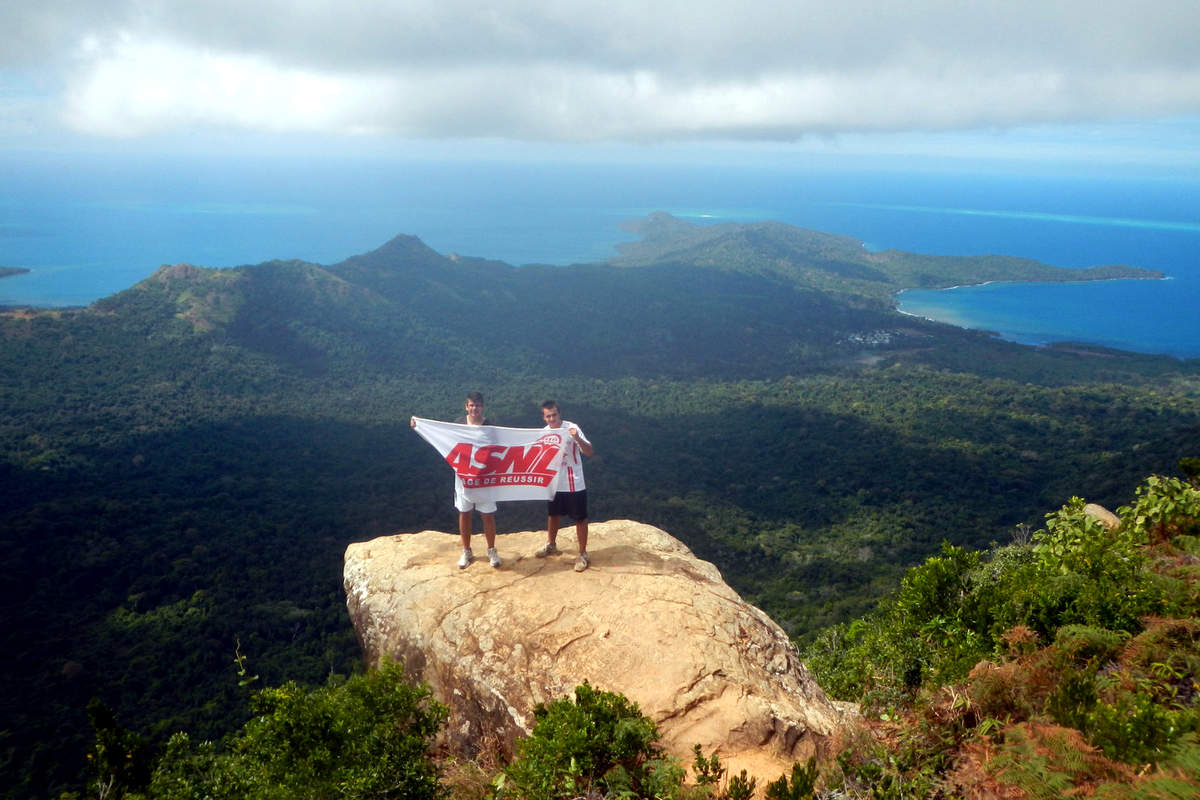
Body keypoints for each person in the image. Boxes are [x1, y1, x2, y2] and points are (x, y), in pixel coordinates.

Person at [412, 391, 501, 569]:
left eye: (477, 405)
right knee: (464, 512)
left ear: (482, 407)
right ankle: (466, 550)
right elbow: (441, 438)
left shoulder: (489, 426)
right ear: (466, 406)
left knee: (488, 514)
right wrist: (419, 427)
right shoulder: (458, 424)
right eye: (471, 405)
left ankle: (491, 550)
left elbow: (500, 448)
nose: (474, 408)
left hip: (484, 478)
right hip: (463, 476)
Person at [533, 400, 594, 572]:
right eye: (548, 416)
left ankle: (582, 553)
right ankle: (551, 544)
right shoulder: (542, 433)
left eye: (554, 415)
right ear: (544, 417)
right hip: (554, 481)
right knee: (553, 514)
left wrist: (576, 437)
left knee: (580, 518)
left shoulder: (572, 428)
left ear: (560, 414)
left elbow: (589, 452)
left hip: (574, 481)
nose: (552, 419)